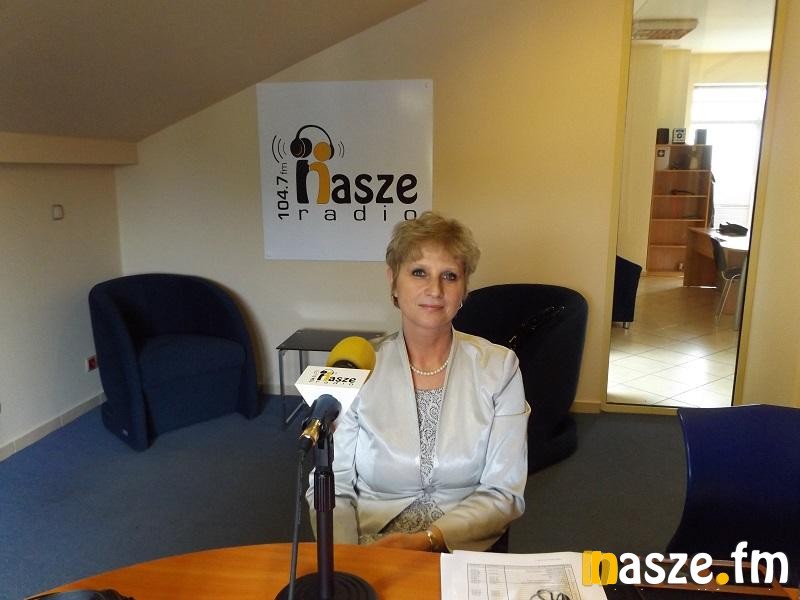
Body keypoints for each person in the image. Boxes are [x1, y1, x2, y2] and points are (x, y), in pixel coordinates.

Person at [306, 211, 529, 552]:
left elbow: (503, 492)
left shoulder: (500, 368)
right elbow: (334, 485)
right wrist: (348, 562)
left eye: (449, 276)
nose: (435, 290)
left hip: (460, 547)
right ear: (393, 281)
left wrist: (428, 540)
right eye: (419, 272)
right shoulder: (354, 366)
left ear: (464, 289)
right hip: (368, 548)